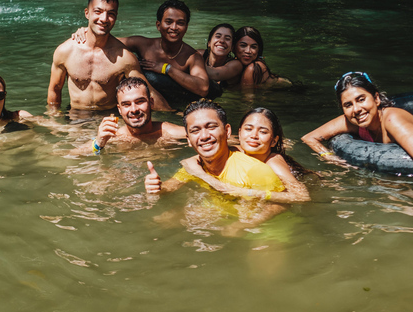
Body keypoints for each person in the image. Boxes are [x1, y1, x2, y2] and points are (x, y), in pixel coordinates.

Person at [301, 71, 413, 228]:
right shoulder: (352, 120)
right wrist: (330, 158)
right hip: (397, 173)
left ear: (377, 98)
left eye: (361, 99)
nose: (356, 109)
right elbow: (309, 138)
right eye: (348, 105)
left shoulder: (393, 120)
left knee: (402, 204)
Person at [145, 100, 303, 233]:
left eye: (211, 127)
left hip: (263, 227)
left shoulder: (261, 168)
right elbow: (169, 187)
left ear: (227, 131)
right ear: (188, 139)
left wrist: (244, 224)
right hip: (224, 211)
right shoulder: (194, 164)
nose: (204, 136)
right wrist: (157, 187)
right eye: (195, 130)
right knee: (162, 219)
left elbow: (287, 201)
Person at [48, 0, 168, 111]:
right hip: (76, 116)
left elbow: (147, 92)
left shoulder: (124, 57)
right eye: (98, 12)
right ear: (87, 13)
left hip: (109, 117)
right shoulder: (65, 51)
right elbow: (55, 89)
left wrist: (172, 114)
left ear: (116, 17)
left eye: (111, 14)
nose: (104, 19)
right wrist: (54, 120)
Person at [181, 107, 311, 202]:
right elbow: (198, 157)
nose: (253, 136)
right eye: (248, 129)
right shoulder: (238, 149)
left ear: (273, 141)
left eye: (263, 132)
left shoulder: (273, 163)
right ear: (239, 132)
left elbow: (302, 196)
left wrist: (249, 192)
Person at [74, 77, 186, 155]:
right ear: (119, 109)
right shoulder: (114, 137)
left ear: (151, 103)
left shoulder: (170, 132)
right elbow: (70, 156)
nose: (134, 109)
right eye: (126, 104)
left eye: (140, 101)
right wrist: (98, 143)